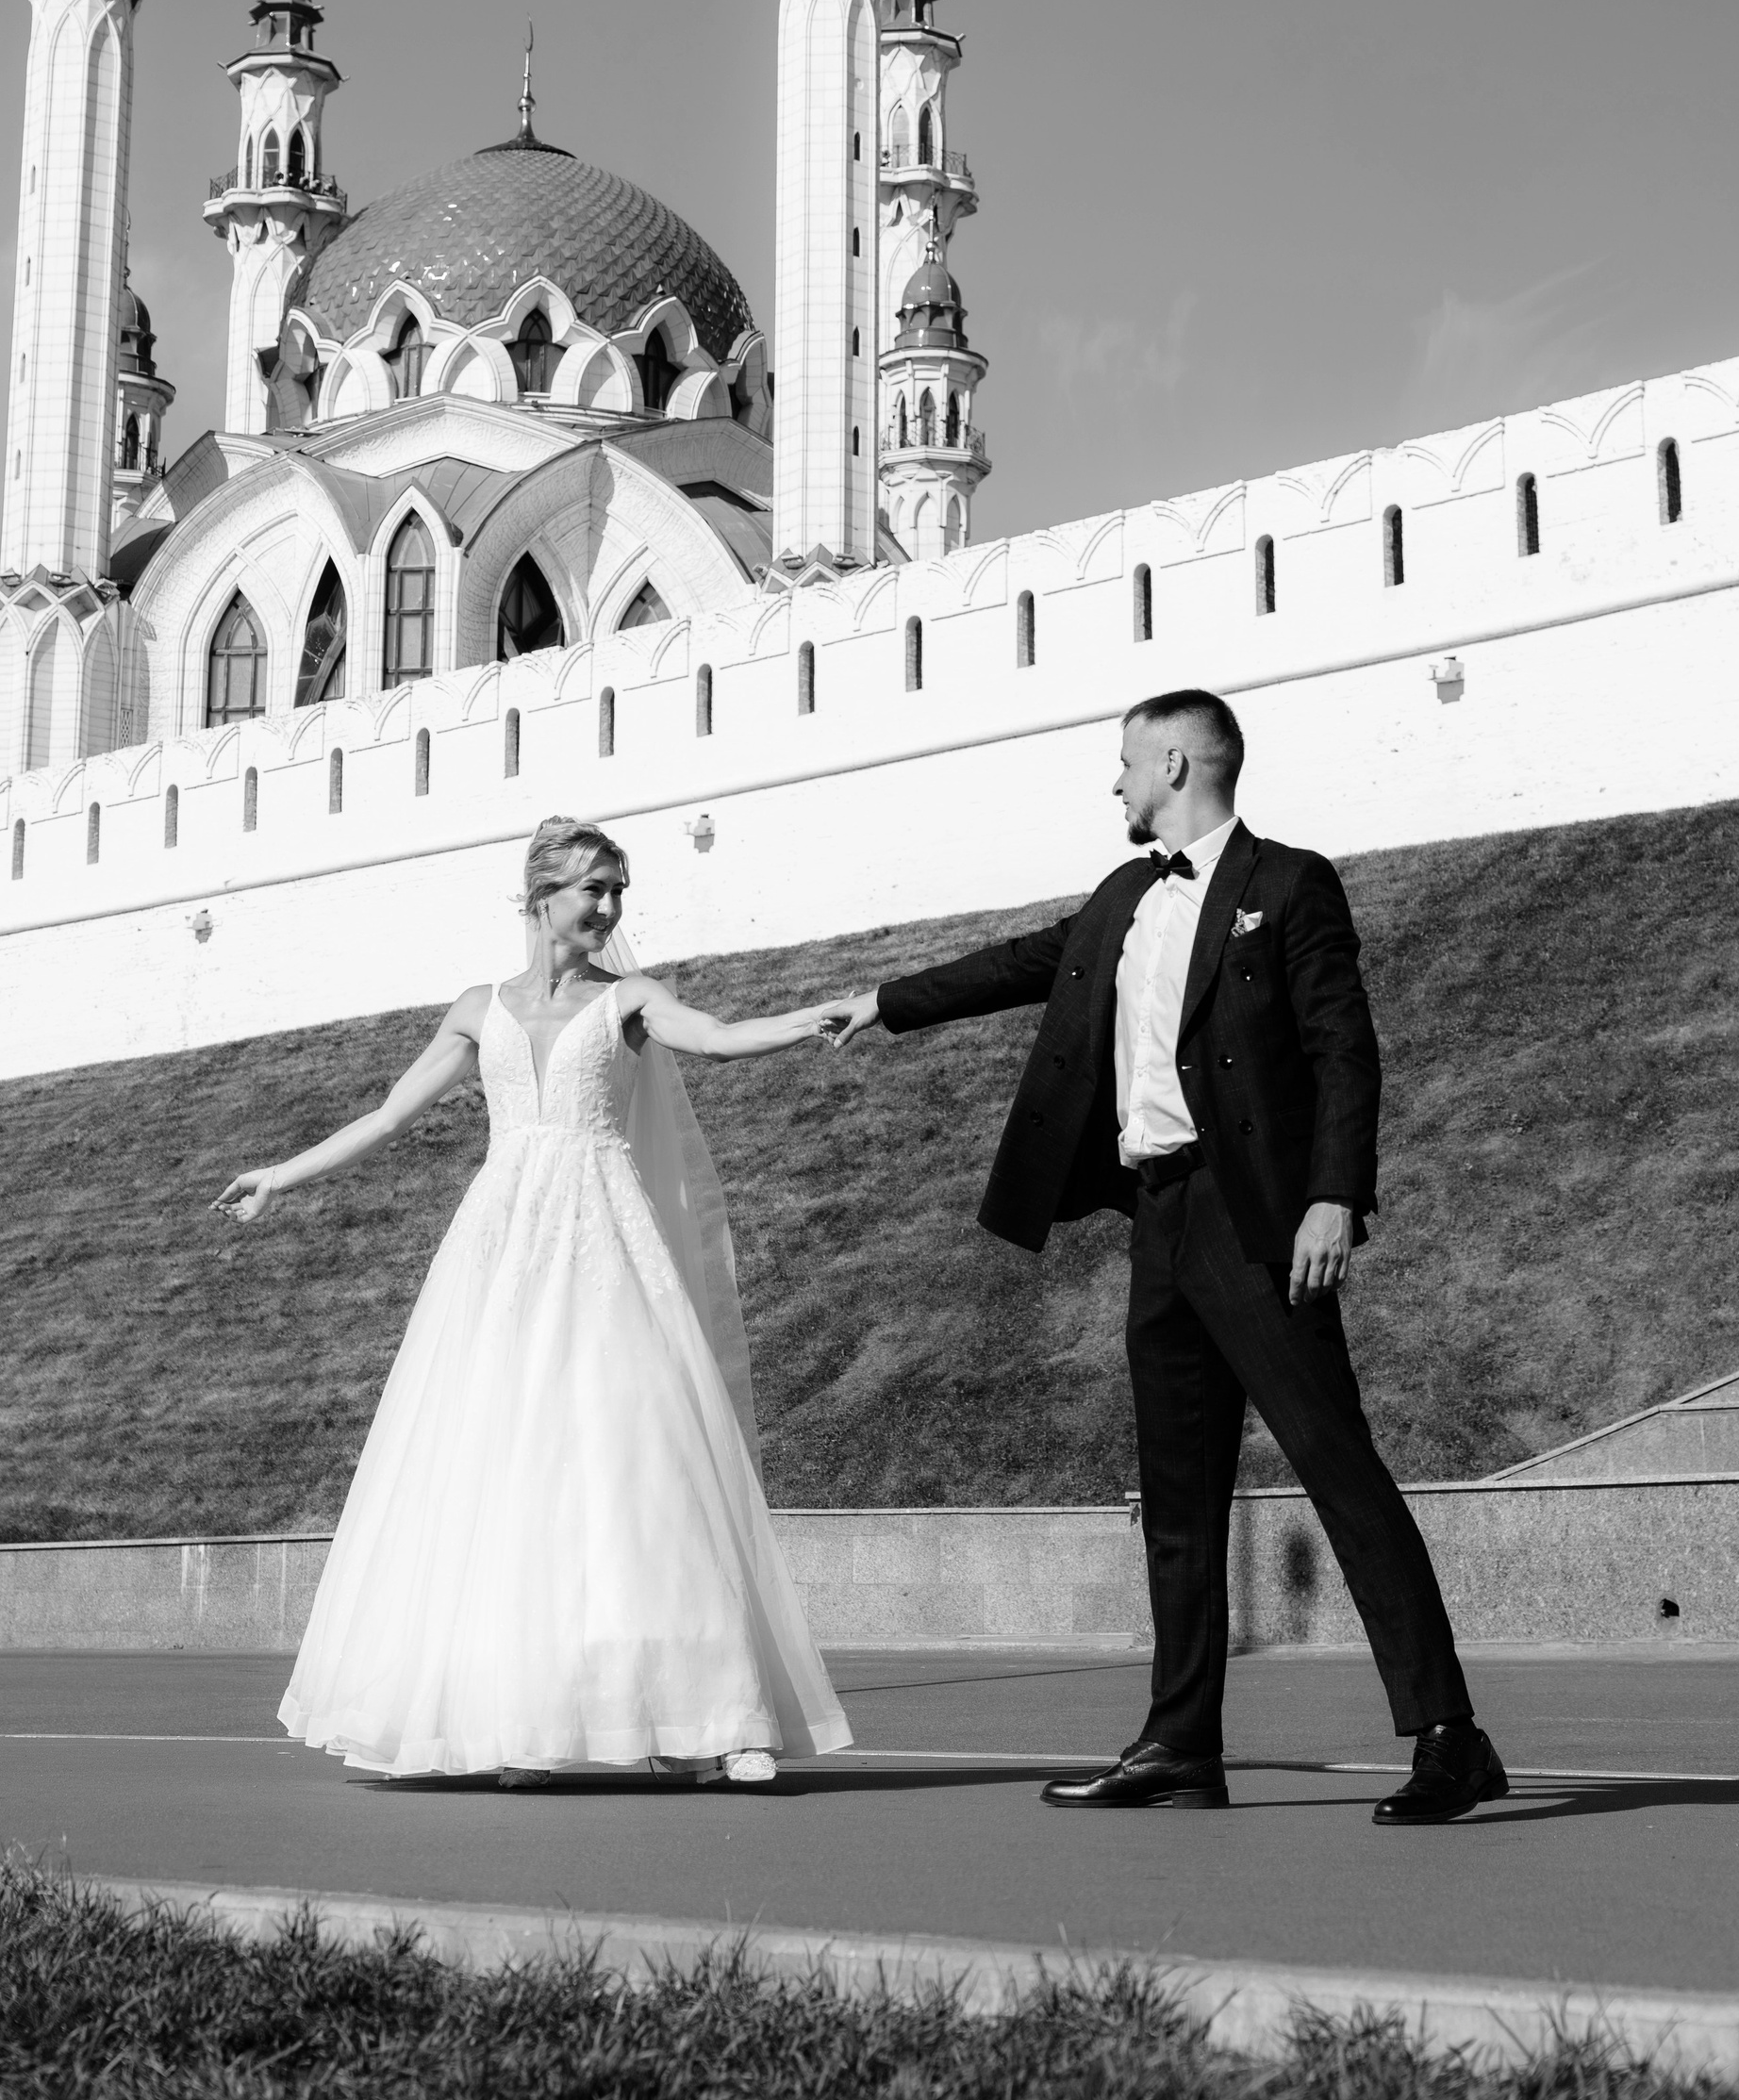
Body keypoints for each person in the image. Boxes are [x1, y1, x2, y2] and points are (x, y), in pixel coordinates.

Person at [822, 687, 1504, 1824]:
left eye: (1128, 762)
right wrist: (884, 1004)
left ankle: (1450, 1737)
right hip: (1159, 1219)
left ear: (1178, 765)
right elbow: (1017, 963)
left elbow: (1345, 1049)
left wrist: (1334, 1196)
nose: (1117, 782)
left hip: (1258, 1221)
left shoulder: (1290, 885)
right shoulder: (1124, 898)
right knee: (1179, 1496)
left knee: (1336, 1465)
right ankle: (1181, 1743)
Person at [213, 815, 851, 1788]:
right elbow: (387, 1116)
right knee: (510, 1468)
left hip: (606, 1243)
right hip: (503, 1251)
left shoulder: (630, 998)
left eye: (618, 891)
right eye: (593, 888)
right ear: (541, 894)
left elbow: (716, 1040)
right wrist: (278, 1175)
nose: (609, 908)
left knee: (642, 1462)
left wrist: (808, 1021)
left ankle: (720, 1720)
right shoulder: (479, 1009)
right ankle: (522, 1721)